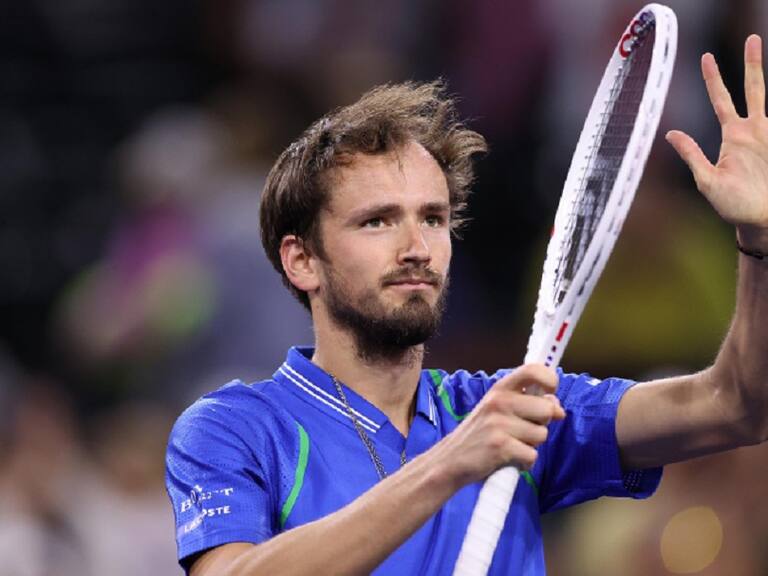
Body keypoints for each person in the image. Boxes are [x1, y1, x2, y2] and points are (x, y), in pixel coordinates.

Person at [165, 35, 768, 575]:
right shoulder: (234, 427)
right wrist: (454, 461)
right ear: (301, 260)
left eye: (433, 218)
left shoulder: (512, 413)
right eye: (377, 221)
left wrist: (760, 242)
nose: (416, 248)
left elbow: (738, 405)